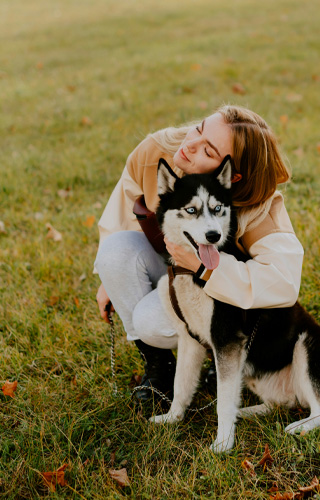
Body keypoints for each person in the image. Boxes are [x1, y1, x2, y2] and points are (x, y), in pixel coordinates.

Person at [94, 104, 304, 402]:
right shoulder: (158, 151)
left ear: (232, 177)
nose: (190, 145)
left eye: (208, 151)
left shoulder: (259, 206)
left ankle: (227, 351)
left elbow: (283, 281)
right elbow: (124, 211)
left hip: (225, 300)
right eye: (199, 128)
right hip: (171, 267)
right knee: (114, 252)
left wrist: (206, 269)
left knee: (150, 320)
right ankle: (159, 366)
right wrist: (110, 277)